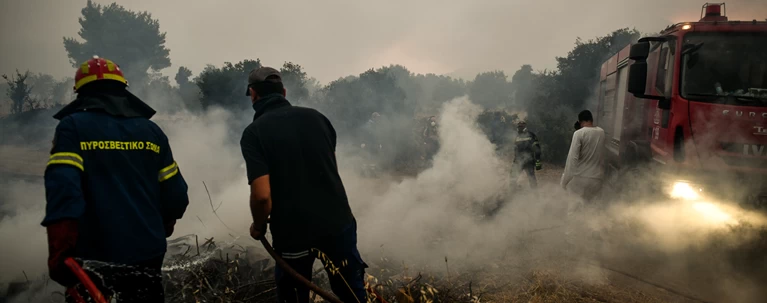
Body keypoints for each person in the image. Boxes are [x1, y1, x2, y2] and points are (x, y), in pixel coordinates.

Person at [42, 56, 189, 302]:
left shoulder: (72, 128)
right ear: (122, 89)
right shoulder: (151, 131)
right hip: (148, 254)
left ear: (81, 92)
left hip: (93, 260)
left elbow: (64, 192)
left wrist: (60, 253)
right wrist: (162, 224)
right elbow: (175, 195)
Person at [240, 67, 368, 303]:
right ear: (284, 93)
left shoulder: (254, 133)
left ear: (254, 94)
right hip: (338, 224)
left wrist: (259, 227)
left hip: (292, 234)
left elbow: (261, 197)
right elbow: (331, 168)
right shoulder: (318, 118)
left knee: (295, 297)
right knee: (352, 293)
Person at [561, 110, 606, 216]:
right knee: (592, 209)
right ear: (592, 119)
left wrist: (565, 180)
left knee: (574, 208)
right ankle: (591, 230)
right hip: (597, 179)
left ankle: (571, 231)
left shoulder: (578, 134)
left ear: (580, 121)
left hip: (580, 178)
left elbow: (572, 159)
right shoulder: (601, 132)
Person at [512, 120, 542, 189]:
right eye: (519, 126)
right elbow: (515, 149)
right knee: (513, 178)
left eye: (521, 126)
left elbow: (537, 149)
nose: (520, 128)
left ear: (525, 126)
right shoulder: (516, 136)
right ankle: (511, 195)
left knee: (532, 180)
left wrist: (538, 161)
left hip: (529, 161)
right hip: (518, 161)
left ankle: (535, 196)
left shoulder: (531, 135)